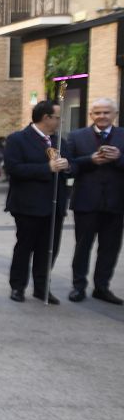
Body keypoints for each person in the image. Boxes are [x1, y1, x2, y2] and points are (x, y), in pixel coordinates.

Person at [4, 99, 72, 304]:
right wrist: (47, 169)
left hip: (55, 205)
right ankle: (18, 286)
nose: (60, 121)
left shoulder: (60, 141)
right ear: (46, 118)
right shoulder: (18, 139)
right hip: (28, 205)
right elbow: (14, 169)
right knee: (25, 247)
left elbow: (72, 165)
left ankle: (42, 287)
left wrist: (67, 165)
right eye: (57, 117)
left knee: (49, 248)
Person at [67, 98, 124, 304]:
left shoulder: (122, 136)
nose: (102, 116)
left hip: (115, 203)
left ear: (114, 114)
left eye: (106, 112)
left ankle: (102, 287)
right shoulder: (76, 136)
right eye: (97, 112)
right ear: (91, 115)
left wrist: (119, 157)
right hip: (86, 202)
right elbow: (69, 166)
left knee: (110, 248)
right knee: (83, 246)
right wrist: (90, 160)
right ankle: (78, 286)